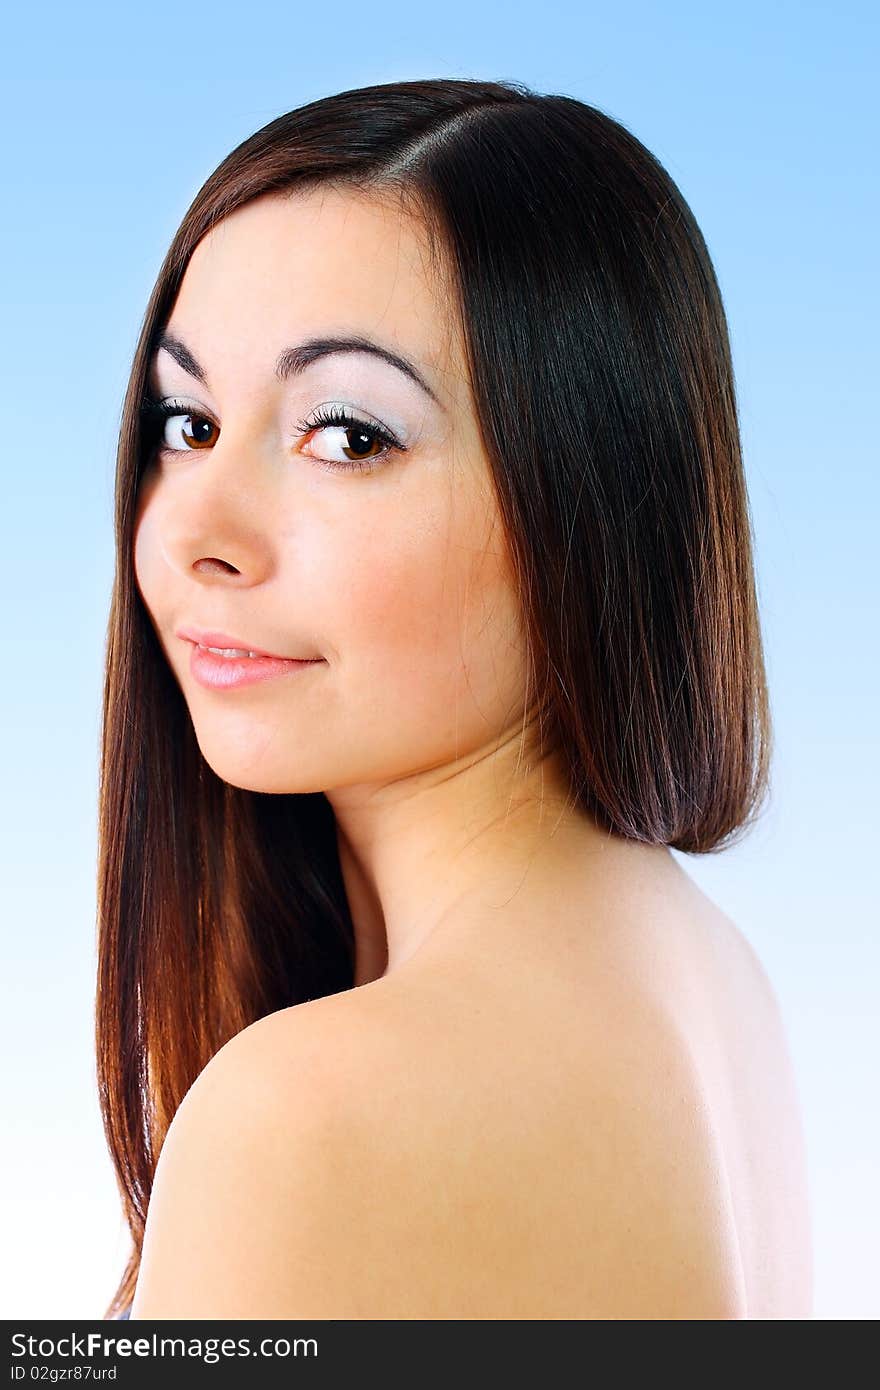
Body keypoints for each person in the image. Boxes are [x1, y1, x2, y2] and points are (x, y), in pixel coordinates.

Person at [96, 77, 812, 1321]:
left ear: (584, 498)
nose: (199, 530)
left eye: (349, 437)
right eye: (188, 419)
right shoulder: (707, 980)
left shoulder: (307, 1117)